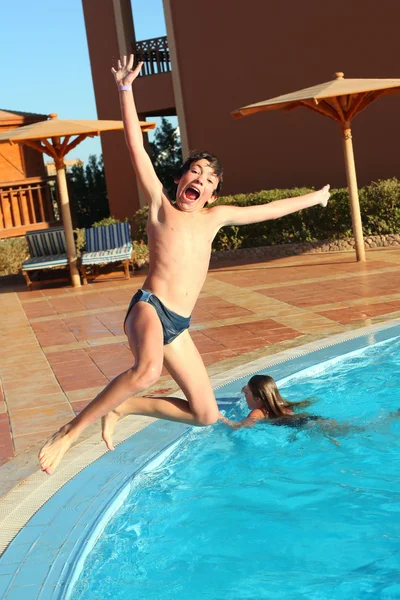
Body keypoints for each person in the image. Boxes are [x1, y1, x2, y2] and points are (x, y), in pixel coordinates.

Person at [38, 55, 331, 475]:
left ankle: (127, 407)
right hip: (150, 307)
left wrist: (314, 199)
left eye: (209, 179)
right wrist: (125, 89)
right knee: (147, 369)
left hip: (180, 324)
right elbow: (135, 145)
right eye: (195, 172)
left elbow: (269, 210)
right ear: (180, 179)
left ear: (212, 195)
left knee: (206, 413)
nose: (201, 180)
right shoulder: (160, 204)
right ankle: (70, 430)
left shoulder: (215, 217)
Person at [219, 374, 324, 430]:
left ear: (257, 399)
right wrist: (248, 390)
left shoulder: (259, 412)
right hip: (311, 418)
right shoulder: (281, 403)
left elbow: (241, 425)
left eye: (246, 394)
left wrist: (223, 419)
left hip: (300, 425)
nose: (245, 397)